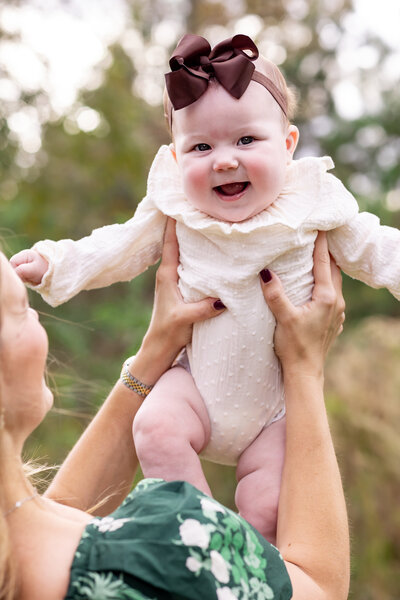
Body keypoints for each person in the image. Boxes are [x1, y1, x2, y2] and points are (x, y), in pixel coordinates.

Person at [10, 33, 399, 542]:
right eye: (200, 146)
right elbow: (116, 247)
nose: (222, 160)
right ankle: (202, 544)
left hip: (277, 409)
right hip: (192, 385)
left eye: (245, 140)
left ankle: (237, 565)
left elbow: (376, 248)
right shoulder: (177, 208)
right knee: (154, 428)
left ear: (288, 145)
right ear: (174, 158)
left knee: (268, 508)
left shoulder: (315, 201)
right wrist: (55, 262)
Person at [1, 221, 349, 600]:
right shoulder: (176, 552)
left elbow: (64, 516)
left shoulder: (20, 548)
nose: (36, 317)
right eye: (21, 310)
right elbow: (321, 589)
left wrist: (158, 348)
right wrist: (304, 367)